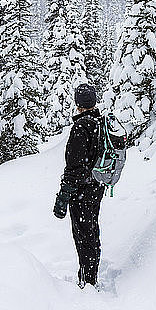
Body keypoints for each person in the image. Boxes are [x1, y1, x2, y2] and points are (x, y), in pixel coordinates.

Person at [53, 83, 105, 289]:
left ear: (77, 104)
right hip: (97, 185)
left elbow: (74, 166)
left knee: (83, 233)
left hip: (82, 189)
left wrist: (63, 196)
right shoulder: (99, 123)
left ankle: (88, 280)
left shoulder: (81, 127)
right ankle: (90, 274)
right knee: (91, 229)